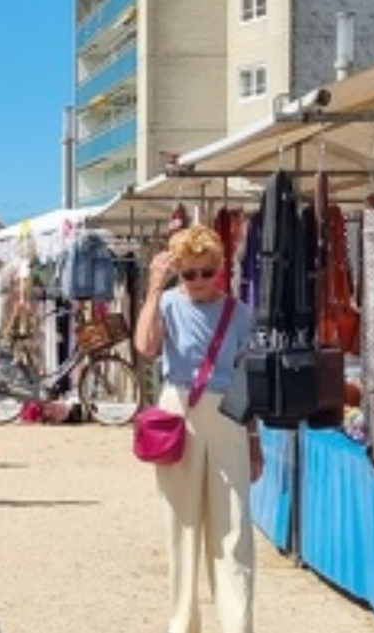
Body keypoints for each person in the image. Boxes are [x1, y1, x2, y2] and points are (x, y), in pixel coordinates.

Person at [131, 225, 261, 633]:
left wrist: (254, 440)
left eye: (207, 272)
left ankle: (237, 624)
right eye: (189, 273)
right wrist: (154, 288)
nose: (199, 281)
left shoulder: (240, 313)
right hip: (179, 408)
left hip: (228, 412)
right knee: (181, 525)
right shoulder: (168, 303)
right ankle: (182, 624)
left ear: (220, 269)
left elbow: (246, 378)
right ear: (178, 272)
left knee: (234, 527)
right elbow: (145, 346)